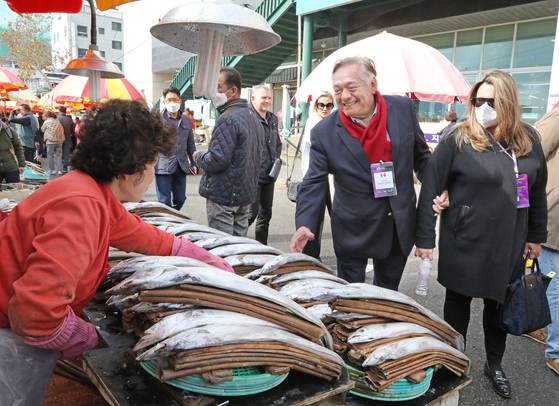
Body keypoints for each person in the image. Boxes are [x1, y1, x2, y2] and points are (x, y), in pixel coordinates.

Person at [0, 100, 234, 405]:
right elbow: (35, 315)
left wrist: (210, 261)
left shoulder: (90, 192)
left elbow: (146, 237)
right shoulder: (81, 207)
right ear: (131, 170)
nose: (152, 172)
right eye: (152, 163)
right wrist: (89, 338)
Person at [415, 70, 548, 398]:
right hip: (464, 240)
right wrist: (424, 239)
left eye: (491, 101)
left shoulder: (528, 141)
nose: (483, 107)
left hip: (509, 244)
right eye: (478, 100)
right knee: (457, 303)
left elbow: (537, 193)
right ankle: (453, 361)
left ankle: (495, 364)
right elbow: (431, 185)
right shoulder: (458, 138)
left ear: (509, 103)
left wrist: (535, 237)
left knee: (497, 308)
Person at [290, 56, 432, 288]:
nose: (344, 96)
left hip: (398, 223)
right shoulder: (324, 132)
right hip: (353, 228)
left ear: (373, 85)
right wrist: (305, 223)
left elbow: (422, 158)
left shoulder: (402, 109)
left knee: (388, 296)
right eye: (337, 90)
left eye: (351, 87)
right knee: (350, 298)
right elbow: (313, 183)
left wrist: (439, 187)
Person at [194, 67, 263, 236]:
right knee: (238, 249)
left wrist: (198, 156)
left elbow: (217, 160)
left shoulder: (227, 118)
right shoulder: (253, 117)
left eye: (218, 87)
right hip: (244, 196)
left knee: (223, 249)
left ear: (232, 91)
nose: (213, 92)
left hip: (224, 197)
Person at [528, 106, 559, 375]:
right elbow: (534, 147)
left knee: (546, 278)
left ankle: (533, 322)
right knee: (552, 282)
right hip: (554, 215)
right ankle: (556, 350)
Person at [300, 91, 335, 259]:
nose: (325, 108)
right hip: (315, 176)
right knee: (314, 217)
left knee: (336, 216)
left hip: (331, 177)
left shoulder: (331, 122)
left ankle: (315, 255)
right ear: (315, 106)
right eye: (322, 104)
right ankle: (311, 255)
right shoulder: (313, 123)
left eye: (329, 105)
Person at [248, 85, 282, 244]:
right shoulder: (247, 117)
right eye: (264, 98)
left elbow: (277, 142)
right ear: (253, 99)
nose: (268, 101)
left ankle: (262, 246)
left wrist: (276, 158)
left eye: (269, 98)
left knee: (266, 214)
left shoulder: (273, 119)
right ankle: (237, 243)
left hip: (270, 174)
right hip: (252, 174)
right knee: (250, 214)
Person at [155, 87, 197, 211]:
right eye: (169, 100)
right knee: (164, 201)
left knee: (180, 199)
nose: (172, 102)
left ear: (180, 101)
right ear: (164, 102)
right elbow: (151, 143)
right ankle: (166, 225)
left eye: (175, 99)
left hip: (181, 165)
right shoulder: (157, 120)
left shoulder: (186, 120)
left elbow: (191, 144)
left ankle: (172, 214)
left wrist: (194, 162)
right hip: (163, 166)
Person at [0, 119, 25, 186]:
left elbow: (18, 148)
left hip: (11, 167)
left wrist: (21, 164)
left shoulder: (9, 131)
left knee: (14, 191)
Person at [41, 111, 65, 177]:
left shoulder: (46, 122)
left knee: (50, 156)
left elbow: (42, 130)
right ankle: (59, 170)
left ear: (46, 116)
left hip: (50, 142)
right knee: (59, 156)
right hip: (59, 141)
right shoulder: (57, 121)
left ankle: (52, 169)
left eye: (43, 115)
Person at [57, 106, 75, 171]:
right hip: (67, 138)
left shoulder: (57, 118)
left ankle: (59, 168)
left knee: (59, 153)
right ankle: (65, 168)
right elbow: (73, 130)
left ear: (60, 111)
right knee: (66, 153)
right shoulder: (69, 119)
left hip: (59, 138)